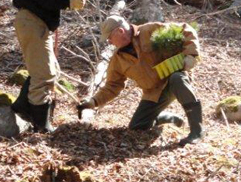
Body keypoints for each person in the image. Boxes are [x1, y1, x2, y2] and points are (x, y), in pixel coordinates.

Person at [77, 15, 203, 146]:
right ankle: (164, 117)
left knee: (177, 78)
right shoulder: (118, 59)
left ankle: (196, 132)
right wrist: (93, 102)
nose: (109, 42)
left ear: (120, 31)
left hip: (175, 80)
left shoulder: (150, 30)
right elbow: (113, 86)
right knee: (137, 126)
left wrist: (191, 55)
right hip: (153, 93)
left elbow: (186, 29)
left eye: (109, 37)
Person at [11, 0, 90, 133]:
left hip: (35, 22)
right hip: (33, 22)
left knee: (50, 69)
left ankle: (22, 106)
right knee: (44, 74)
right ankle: (41, 125)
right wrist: (70, 3)